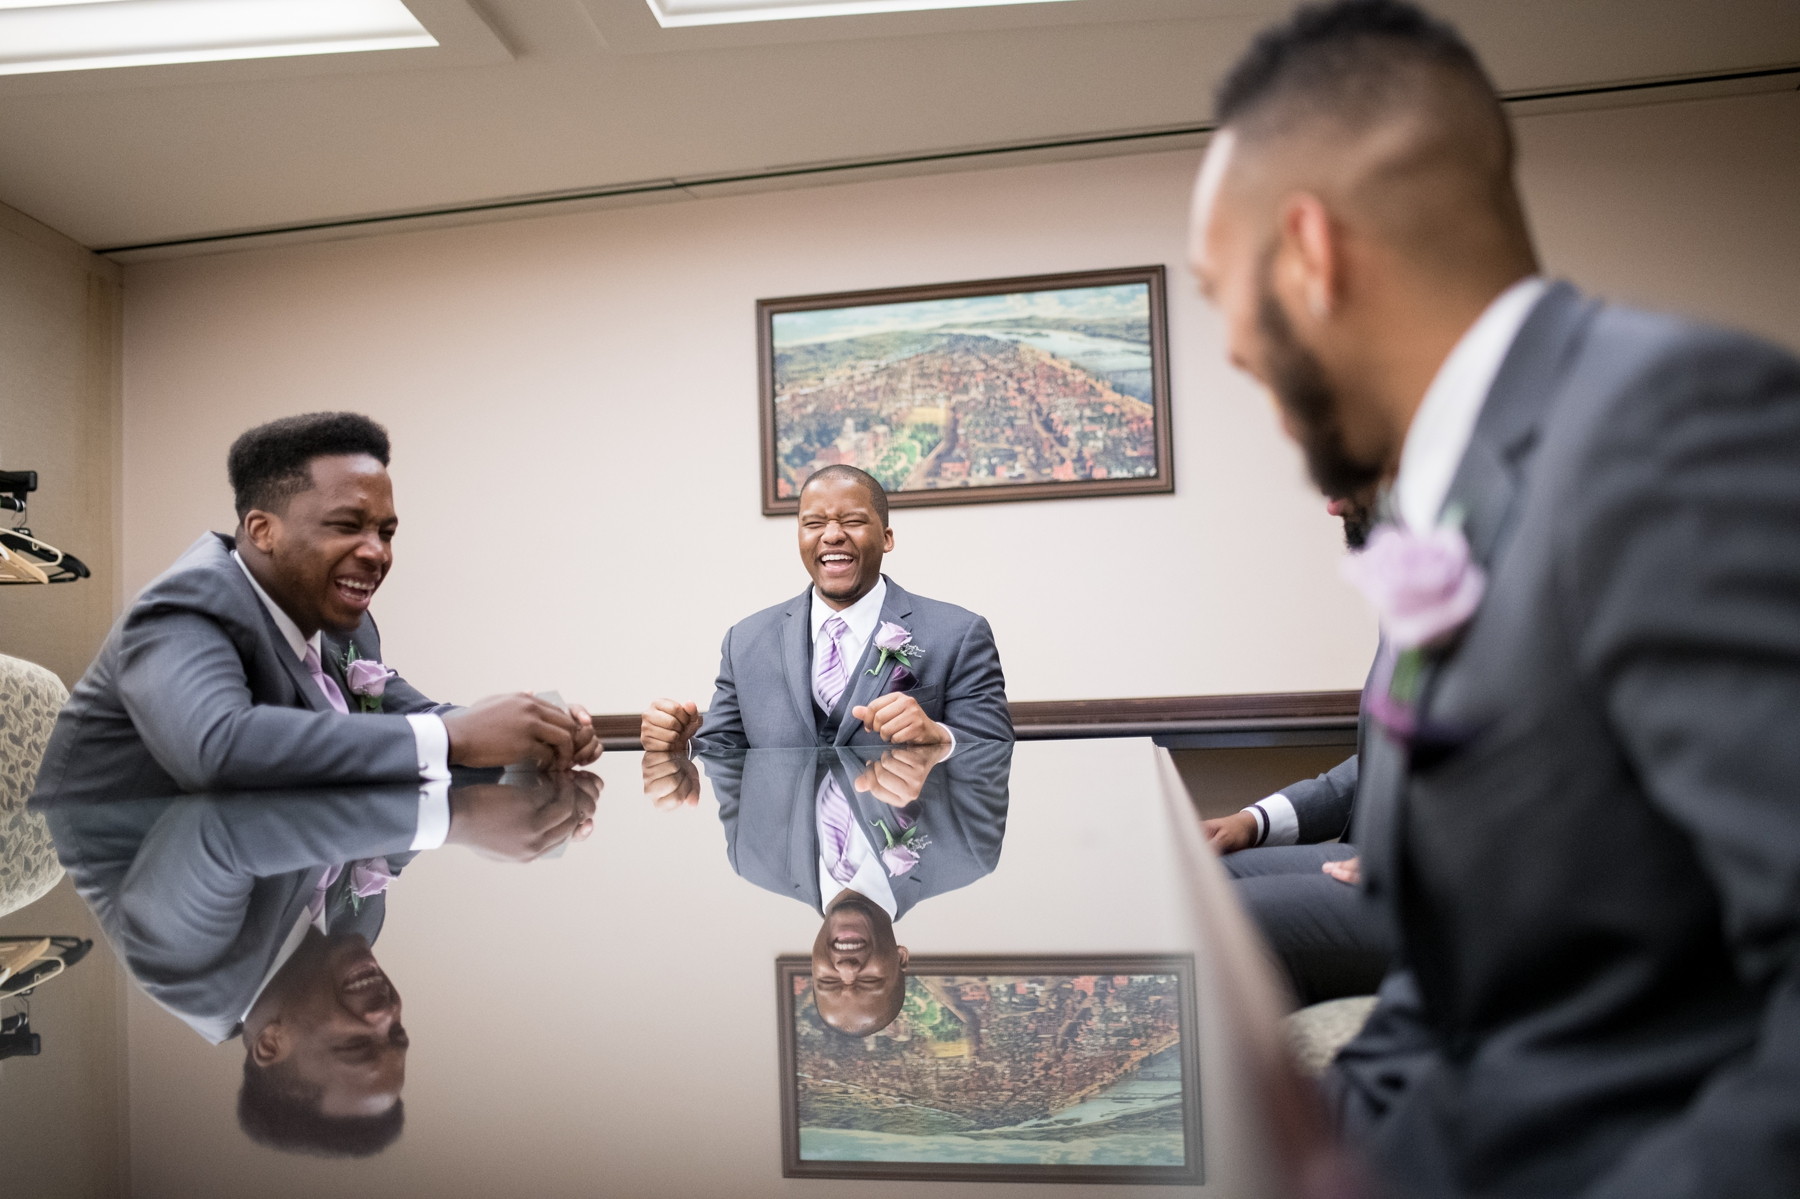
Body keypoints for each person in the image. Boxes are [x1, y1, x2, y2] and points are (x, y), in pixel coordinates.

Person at [1191, 3, 1800, 1196]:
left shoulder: (1671, 428)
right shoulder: (1461, 499)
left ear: (1311, 253)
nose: (1228, 349)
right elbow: (1458, 986)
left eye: (1221, 293)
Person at [32, 412, 599, 808]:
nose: (377, 552)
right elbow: (218, 749)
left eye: (386, 531)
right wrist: (452, 741)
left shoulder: (331, 618)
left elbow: (421, 717)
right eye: (347, 526)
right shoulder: (186, 604)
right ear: (262, 530)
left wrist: (537, 733)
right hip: (120, 896)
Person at [41, 773, 598, 1155]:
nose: (385, 1014)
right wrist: (538, 791)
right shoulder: (346, 937)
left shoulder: (196, 968)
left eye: (357, 1045)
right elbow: (402, 793)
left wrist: (455, 818)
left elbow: (229, 818)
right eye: (398, 1035)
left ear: (270, 1045)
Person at [640, 465, 1011, 752]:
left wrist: (938, 736)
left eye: (851, 521)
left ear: (886, 538)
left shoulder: (959, 633)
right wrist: (681, 747)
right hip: (788, 852)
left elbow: (996, 746)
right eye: (813, 524)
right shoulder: (744, 641)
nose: (831, 534)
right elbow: (723, 753)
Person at [685, 741, 1012, 1036]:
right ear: (901, 960)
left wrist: (681, 745)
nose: (845, 968)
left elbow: (725, 741)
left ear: (813, 967)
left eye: (827, 981)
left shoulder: (754, 858)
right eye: (869, 981)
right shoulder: (967, 853)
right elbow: (984, 735)